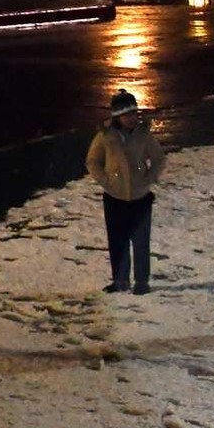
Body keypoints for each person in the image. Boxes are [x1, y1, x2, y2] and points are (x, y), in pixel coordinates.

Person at [85, 90, 166, 295]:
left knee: (140, 241)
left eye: (134, 113)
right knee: (118, 241)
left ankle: (141, 282)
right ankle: (120, 280)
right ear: (117, 116)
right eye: (128, 114)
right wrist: (106, 181)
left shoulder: (143, 135)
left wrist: (149, 179)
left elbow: (158, 159)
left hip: (140, 198)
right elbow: (93, 161)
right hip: (115, 198)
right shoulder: (105, 136)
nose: (132, 118)